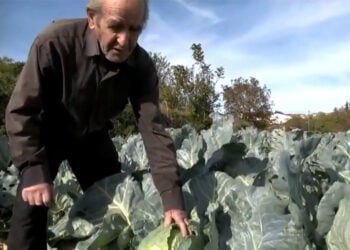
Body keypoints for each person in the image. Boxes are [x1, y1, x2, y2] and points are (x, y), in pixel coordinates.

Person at [5, 0, 190, 249]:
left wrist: (172, 197)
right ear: (93, 19)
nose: (125, 41)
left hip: (93, 137)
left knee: (114, 208)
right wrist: (32, 167)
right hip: (48, 135)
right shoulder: (54, 42)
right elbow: (22, 110)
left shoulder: (141, 66)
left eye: (135, 29)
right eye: (116, 27)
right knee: (29, 217)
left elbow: (153, 129)